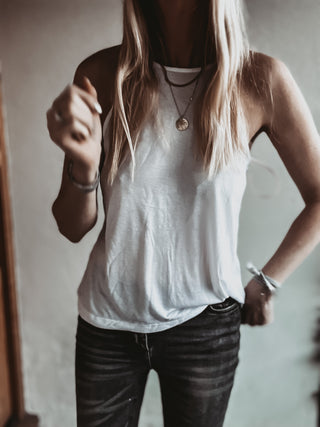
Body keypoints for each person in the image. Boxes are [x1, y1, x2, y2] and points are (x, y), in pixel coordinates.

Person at [46, 0, 320, 426]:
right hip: (107, 326)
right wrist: (83, 165)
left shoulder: (259, 79)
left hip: (205, 329)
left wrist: (268, 281)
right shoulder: (101, 75)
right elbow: (71, 226)